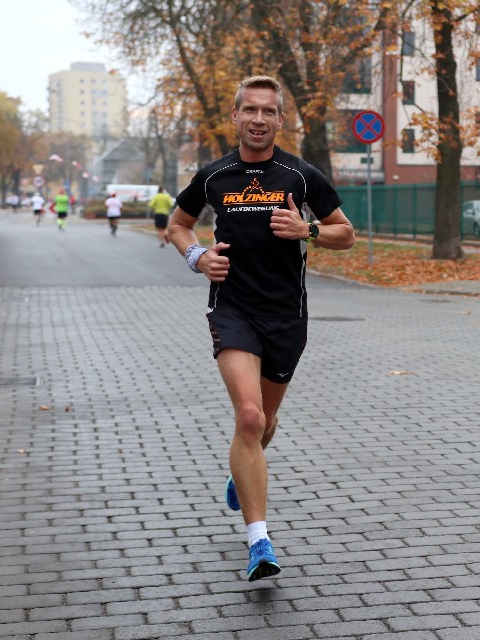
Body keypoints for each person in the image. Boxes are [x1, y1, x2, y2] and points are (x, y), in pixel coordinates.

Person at [168, 75, 355, 582]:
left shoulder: (301, 175)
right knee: (249, 417)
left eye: (268, 111)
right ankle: (259, 541)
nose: (258, 119)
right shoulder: (213, 175)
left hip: (286, 316)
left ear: (279, 119)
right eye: (249, 110)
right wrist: (196, 256)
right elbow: (177, 225)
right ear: (235, 116)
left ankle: (242, 468)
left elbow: (346, 233)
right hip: (232, 310)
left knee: (266, 422)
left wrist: (308, 229)